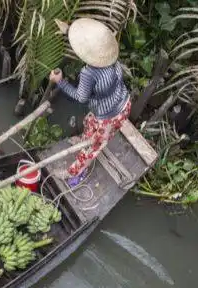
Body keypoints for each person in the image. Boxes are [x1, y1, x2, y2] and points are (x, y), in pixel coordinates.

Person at [48, 18, 131, 187]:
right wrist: (68, 29)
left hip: (108, 116)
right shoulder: (111, 59)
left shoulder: (89, 72)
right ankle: (85, 140)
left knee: (91, 149)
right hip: (124, 104)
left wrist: (60, 81)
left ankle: (75, 172)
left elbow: (81, 98)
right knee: (88, 121)